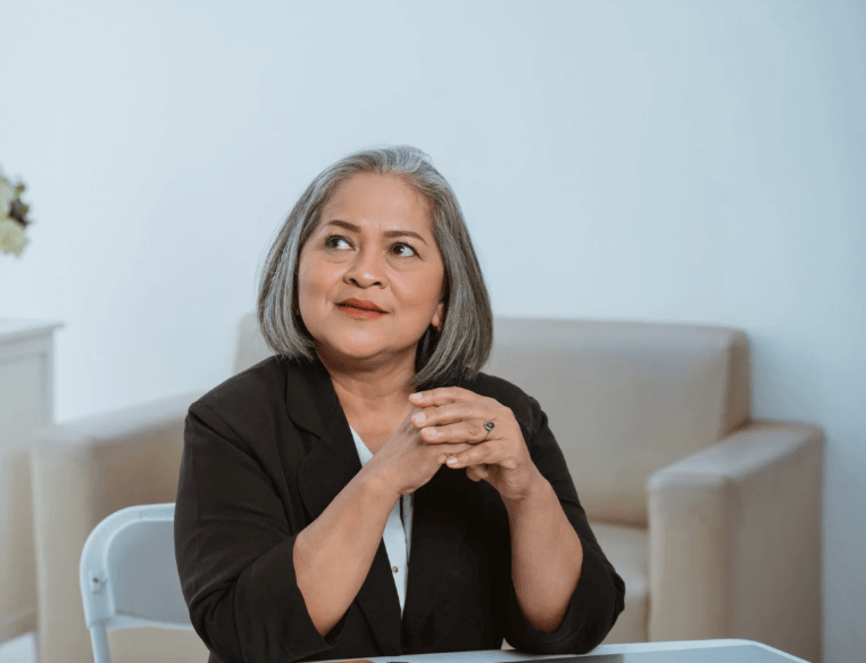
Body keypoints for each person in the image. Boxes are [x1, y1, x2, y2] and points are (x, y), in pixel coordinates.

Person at [173, 146, 625, 663]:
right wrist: (383, 477)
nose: (364, 273)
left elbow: (574, 628)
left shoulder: (502, 413)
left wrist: (527, 494)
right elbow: (245, 633)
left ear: (442, 301)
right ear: (296, 268)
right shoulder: (229, 423)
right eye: (338, 242)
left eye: (402, 250)